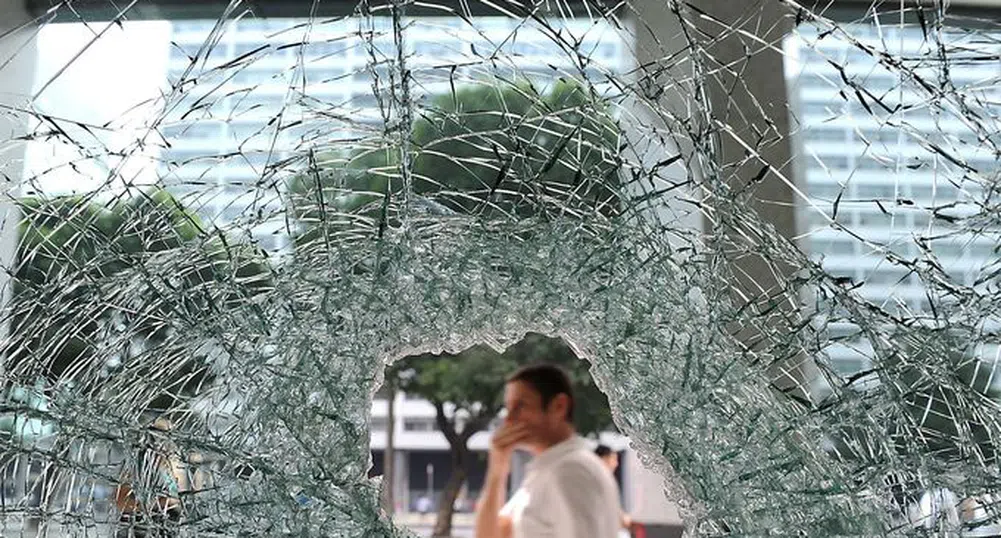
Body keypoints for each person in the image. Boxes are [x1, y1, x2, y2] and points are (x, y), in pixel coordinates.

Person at [475, 364, 621, 538]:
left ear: (559, 406)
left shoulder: (571, 471)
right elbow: (491, 534)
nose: (509, 418)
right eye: (509, 407)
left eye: (520, 406)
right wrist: (497, 466)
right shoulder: (550, 469)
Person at [115, 418, 186, 538]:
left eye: (169, 437)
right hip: (138, 527)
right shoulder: (136, 464)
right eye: (159, 436)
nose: (165, 442)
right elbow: (120, 500)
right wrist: (148, 507)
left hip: (167, 526)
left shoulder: (175, 465)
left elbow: (180, 499)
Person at [595, 444, 633, 537]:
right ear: (604, 459)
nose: (616, 464)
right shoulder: (600, 480)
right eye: (614, 459)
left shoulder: (604, 479)